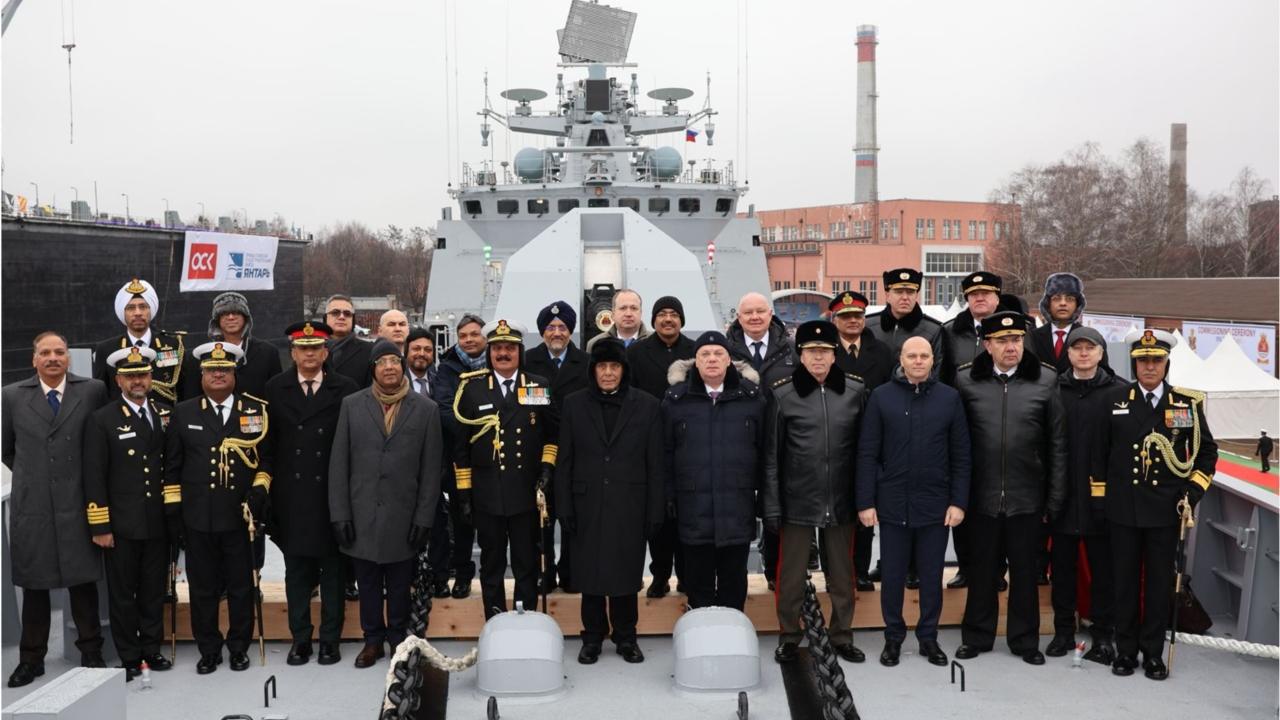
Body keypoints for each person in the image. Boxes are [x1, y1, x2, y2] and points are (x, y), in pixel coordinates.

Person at [1096, 328, 1217, 680]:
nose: (1150, 367)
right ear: (1134, 364)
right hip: (1123, 509)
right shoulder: (1115, 401)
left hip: (1167, 510)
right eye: (1143, 361)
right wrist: (1103, 501)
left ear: (1166, 363)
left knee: (1159, 585)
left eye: (1156, 361)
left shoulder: (1186, 404)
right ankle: (1126, 651)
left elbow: (1206, 454)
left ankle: (1152, 653)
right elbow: (1099, 454)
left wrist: (1191, 494)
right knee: (1125, 582)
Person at [953, 311, 1066, 666]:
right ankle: (976, 636)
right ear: (987, 345)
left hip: (1027, 496)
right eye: (1002, 341)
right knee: (982, 570)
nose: (1010, 347)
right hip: (980, 496)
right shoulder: (965, 381)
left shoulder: (1047, 380)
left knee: (1024, 573)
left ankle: (1024, 640)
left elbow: (1057, 445)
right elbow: (957, 442)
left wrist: (1054, 497)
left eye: (1016, 339)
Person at [856, 336, 971, 667]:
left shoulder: (949, 399)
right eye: (912, 355)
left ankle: (928, 638)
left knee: (932, 576)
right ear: (901, 359)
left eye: (924, 355)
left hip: (936, 505)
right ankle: (893, 638)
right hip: (892, 505)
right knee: (891, 576)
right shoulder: (881, 398)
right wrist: (866, 502)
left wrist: (958, 502)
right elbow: (867, 453)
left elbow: (961, 455)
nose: (919, 361)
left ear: (932, 360)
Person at [3, 331, 109, 688]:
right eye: (45, 352)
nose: (52, 358)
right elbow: (7, 449)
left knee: (83, 583)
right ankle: (31, 660)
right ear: (34, 359)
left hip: (78, 502)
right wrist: (36, 476)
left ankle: (90, 652)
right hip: (33, 506)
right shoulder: (12, 397)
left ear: (68, 358)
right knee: (35, 585)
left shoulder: (92, 390)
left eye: (59, 352)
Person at [329, 338, 442, 668]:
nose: (389, 367)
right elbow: (339, 464)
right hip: (361, 513)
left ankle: (398, 639)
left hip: (403, 515)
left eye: (395, 361)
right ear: (373, 369)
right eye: (382, 362)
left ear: (403, 365)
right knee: (366, 583)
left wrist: (424, 518)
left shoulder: (426, 410)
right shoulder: (352, 405)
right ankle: (372, 640)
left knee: (398, 583)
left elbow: (430, 469)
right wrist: (340, 514)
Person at [764, 320, 869, 666]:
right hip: (797, 498)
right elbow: (772, 457)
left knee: (842, 573)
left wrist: (863, 499)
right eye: (812, 352)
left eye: (825, 351)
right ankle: (789, 635)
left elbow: (864, 452)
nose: (819, 358)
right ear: (801, 355)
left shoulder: (855, 391)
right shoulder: (782, 394)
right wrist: (772, 505)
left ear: (835, 354)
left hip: (840, 498)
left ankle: (842, 635)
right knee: (791, 575)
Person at [163, 341, 271, 675]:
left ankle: (239, 647)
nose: (219, 375)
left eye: (225, 369)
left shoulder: (254, 411)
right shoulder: (184, 412)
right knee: (203, 588)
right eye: (212, 370)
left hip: (241, 517)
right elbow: (172, 467)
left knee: (242, 587)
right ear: (202, 374)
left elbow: (265, 461)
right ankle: (208, 649)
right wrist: (175, 512)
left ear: (234, 373)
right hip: (198, 518)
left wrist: (258, 491)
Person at [555, 339, 664, 664]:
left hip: (630, 504)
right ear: (593, 370)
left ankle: (626, 637)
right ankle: (591, 638)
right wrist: (564, 507)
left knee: (625, 574)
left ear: (623, 370)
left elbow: (655, 463)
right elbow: (566, 460)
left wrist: (654, 509)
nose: (607, 373)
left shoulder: (647, 405)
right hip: (586, 504)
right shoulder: (574, 404)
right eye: (601, 366)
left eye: (614, 366)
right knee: (589, 575)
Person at [264, 321, 358, 667]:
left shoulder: (346, 388)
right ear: (293, 353)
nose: (309, 354)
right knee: (297, 574)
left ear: (324, 352)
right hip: (292, 497)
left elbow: (351, 447)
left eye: (315, 348)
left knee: (333, 575)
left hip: (330, 496)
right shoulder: (275, 388)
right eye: (302, 349)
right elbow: (269, 446)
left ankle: (330, 640)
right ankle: (301, 639)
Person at [451, 320, 558, 619]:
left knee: (527, 563)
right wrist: (464, 493)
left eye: (509, 348)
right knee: (492, 564)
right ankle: (495, 620)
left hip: (526, 492)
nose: (503, 353)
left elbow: (552, 434)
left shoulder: (536, 385)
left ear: (519, 352)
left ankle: (526, 621)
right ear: (489, 352)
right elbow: (461, 447)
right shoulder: (472, 390)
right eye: (497, 348)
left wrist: (547, 469)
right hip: (488, 495)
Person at [82, 346, 175, 680]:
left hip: (156, 522)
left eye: (143, 374)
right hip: (121, 524)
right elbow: (94, 476)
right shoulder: (102, 419)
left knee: (153, 591)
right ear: (118, 379)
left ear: (151, 377)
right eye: (131, 375)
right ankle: (129, 656)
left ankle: (152, 648)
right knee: (123, 595)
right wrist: (100, 525)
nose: (138, 380)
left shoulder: (164, 413)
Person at [663, 331, 766, 610]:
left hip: (737, 508)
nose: (711, 360)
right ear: (695, 362)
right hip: (693, 509)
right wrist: (670, 497)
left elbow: (764, 451)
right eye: (704, 355)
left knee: (734, 585)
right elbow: (666, 454)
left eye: (718, 354)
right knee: (699, 586)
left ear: (729, 360)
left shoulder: (752, 399)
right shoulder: (676, 401)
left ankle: (734, 637)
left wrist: (762, 499)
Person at [939, 271, 1023, 589]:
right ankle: (966, 566)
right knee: (965, 501)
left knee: (1000, 506)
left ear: (997, 298)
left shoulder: (1016, 332)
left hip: (1003, 428)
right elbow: (944, 378)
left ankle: (998, 570)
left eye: (987, 293)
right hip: (963, 427)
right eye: (973, 294)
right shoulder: (950, 333)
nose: (980, 299)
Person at [1045, 326, 1123, 664]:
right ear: (1069, 354)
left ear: (1101, 353)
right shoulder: (1053, 391)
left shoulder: (1119, 393)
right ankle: (1063, 632)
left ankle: (1103, 636)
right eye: (1077, 348)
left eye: (1090, 348)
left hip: (1101, 500)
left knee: (1104, 571)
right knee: (1061, 569)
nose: (1084, 353)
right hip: (1062, 497)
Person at [726, 292, 797, 591]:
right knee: (739, 507)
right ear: (738, 318)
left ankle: (774, 572)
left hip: (783, 442)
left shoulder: (791, 351)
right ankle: (733, 576)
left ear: (770, 314)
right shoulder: (725, 351)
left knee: (777, 507)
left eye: (760, 312)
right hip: (739, 441)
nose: (754, 317)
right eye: (748, 313)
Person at [628, 295, 696, 598]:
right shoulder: (638, 352)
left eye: (674, 314)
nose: (668, 319)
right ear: (653, 320)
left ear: (682, 320)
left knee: (685, 514)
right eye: (662, 314)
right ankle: (660, 575)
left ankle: (685, 574)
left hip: (688, 443)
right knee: (657, 514)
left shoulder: (695, 352)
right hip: (651, 441)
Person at [522, 300, 590, 593]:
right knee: (543, 515)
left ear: (571, 331)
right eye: (550, 328)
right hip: (541, 451)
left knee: (574, 515)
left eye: (562, 327)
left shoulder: (586, 363)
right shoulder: (528, 361)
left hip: (578, 452)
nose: (557, 333)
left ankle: (573, 572)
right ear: (542, 332)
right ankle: (545, 572)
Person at [828, 290, 893, 592]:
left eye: (857, 316)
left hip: (872, 438)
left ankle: (861, 570)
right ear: (835, 319)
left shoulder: (880, 352)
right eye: (846, 316)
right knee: (833, 513)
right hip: (834, 438)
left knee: (866, 509)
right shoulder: (825, 351)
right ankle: (833, 573)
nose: (852, 321)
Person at [432, 313, 487, 598]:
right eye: (463, 335)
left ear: (485, 336)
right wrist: (476, 431)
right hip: (459, 457)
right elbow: (444, 408)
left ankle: (491, 576)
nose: (469, 340)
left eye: (474, 334)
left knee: (494, 520)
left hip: (494, 456)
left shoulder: (500, 360)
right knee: (462, 519)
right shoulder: (447, 369)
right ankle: (463, 575)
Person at [405, 326, 452, 598]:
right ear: (406, 352)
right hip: (404, 470)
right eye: (416, 349)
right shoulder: (395, 381)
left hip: (436, 467)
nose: (421, 354)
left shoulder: (440, 380)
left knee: (438, 527)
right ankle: (409, 579)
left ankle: (439, 578)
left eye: (427, 349)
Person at [93, 278, 189, 404]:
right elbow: (101, 395)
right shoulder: (106, 350)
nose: (138, 313)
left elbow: (183, 390)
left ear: (151, 310)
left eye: (143, 307)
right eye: (131, 308)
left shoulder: (173, 345)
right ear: (123, 312)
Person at [182, 292, 283, 400]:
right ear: (217, 320)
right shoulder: (199, 356)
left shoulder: (268, 353)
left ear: (246, 318)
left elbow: (277, 394)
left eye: (236, 313)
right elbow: (190, 398)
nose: (231, 317)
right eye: (225, 313)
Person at [1030, 272, 1110, 375]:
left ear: (1078, 304)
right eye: (1056, 298)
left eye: (1069, 299)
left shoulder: (1092, 338)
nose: (1063, 303)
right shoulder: (1033, 337)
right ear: (1048, 303)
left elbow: (1104, 375)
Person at [865, 268, 946, 367]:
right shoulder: (869, 326)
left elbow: (938, 370)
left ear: (916, 295)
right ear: (887, 295)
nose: (905, 297)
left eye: (910, 292)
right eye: (899, 292)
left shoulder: (933, 330)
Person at [323, 294, 372, 388]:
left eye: (347, 313)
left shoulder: (369, 351)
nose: (342, 317)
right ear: (325, 318)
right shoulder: (313, 349)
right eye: (335, 312)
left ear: (353, 320)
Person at [586, 288, 651, 351]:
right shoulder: (595, 344)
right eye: (623, 308)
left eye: (634, 308)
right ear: (613, 314)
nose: (628, 314)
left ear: (641, 313)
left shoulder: (656, 342)